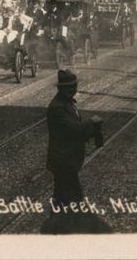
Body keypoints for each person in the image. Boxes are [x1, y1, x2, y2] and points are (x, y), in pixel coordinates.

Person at [46, 70, 103, 204]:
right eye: (68, 87)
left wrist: (92, 131)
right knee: (75, 201)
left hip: (69, 159)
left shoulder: (68, 103)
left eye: (74, 86)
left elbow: (76, 130)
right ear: (60, 89)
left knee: (63, 200)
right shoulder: (57, 107)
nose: (72, 90)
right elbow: (74, 128)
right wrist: (92, 122)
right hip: (63, 161)